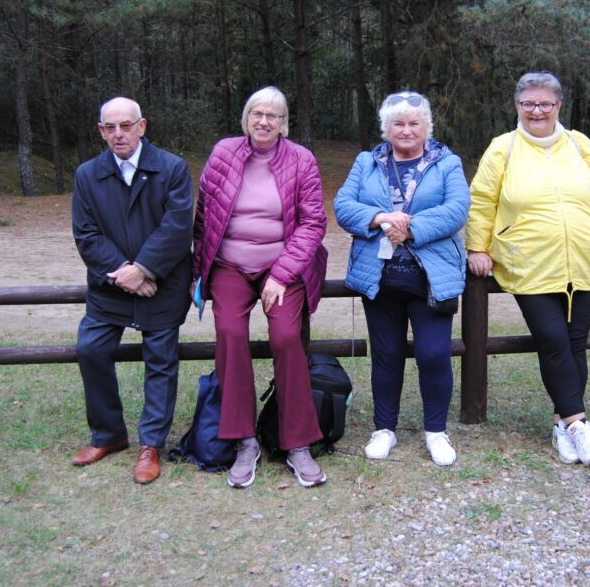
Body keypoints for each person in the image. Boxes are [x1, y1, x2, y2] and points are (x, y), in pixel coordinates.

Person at [465, 72, 590, 465]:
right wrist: (477, 246)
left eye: (545, 103)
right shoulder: (503, 148)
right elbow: (482, 200)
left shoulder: (580, 144)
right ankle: (578, 424)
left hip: (582, 259)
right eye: (528, 103)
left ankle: (562, 423)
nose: (537, 110)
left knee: (575, 341)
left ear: (558, 106)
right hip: (528, 262)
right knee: (552, 339)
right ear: (517, 106)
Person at [192, 86, 329, 488]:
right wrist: (199, 274)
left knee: (287, 337)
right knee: (230, 332)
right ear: (246, 119)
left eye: (273, 115)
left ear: (284, 122)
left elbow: (313, 223)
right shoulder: (223, 153)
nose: (264, 121)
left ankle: (298, 443)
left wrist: (282, 274)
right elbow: (206, 217)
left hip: (281, 265)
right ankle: (244, 440)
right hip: (230, 264)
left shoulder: (301, 159)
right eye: (256, 114)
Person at [334, 91, 470, 466]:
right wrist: (383, 219)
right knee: (387, 355)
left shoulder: (447, 163)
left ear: (427, 127)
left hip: (432, 277)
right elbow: (344, 206)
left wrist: (410, 230)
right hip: (380, 278)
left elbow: (457, 209)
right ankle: (384, 429)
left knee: (433, 354)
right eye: (399, 123)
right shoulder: (367, 162)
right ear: (387, 128)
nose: (406, 130)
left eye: (414, 123)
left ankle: (436, 431)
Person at [70, 96, 194, 484]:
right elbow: (86, 234)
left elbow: (177, 228)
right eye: (110, 127)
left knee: (160, 359)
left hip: (161, 284)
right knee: (90, 349)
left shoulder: (172, 168)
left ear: (142, 126)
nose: (118, 134)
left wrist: (143, 269)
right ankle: (109, 434)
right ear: (101, 131)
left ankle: (150, 445)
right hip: (111, 286)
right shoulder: (87, 175)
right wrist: (123, 272)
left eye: (126, 125)